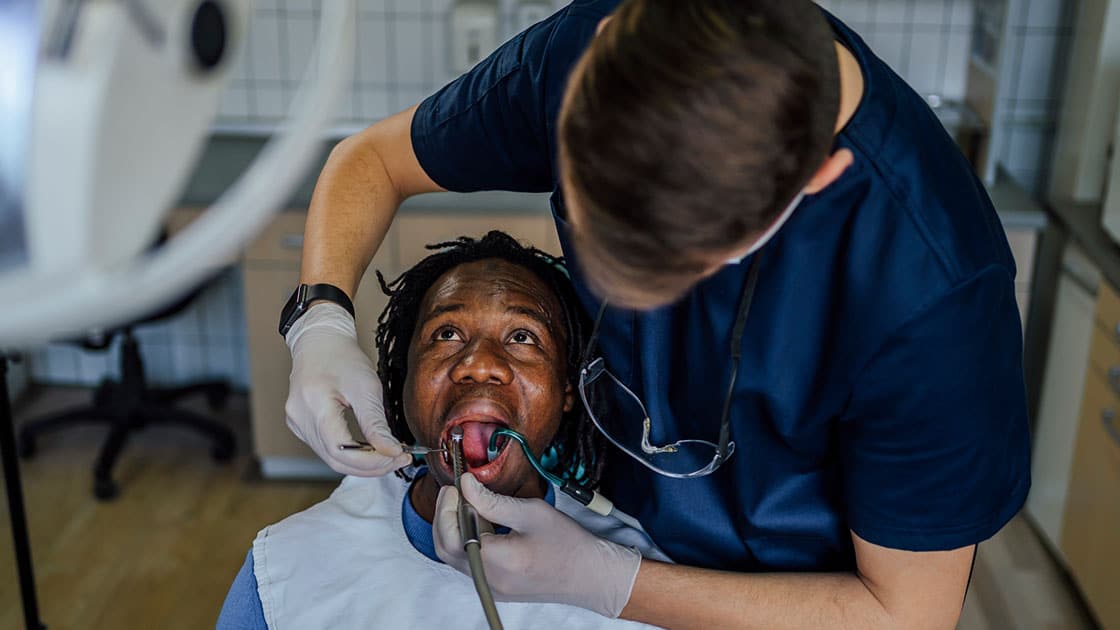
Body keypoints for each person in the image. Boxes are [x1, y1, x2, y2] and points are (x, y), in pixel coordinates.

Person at [279, 1, 1031, 627]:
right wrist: (319, 321)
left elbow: (904, 616)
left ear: (818, 177)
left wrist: (612, 583)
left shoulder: (936, 296)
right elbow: (372, 162)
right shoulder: (579, 53)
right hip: (622, 522)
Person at [221, 232, 670, 628]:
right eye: (447, 333)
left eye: (522, 337)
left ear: (566, 389)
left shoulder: (636, 572)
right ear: (403, 375)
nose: (479, 364)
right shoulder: (284, 572)